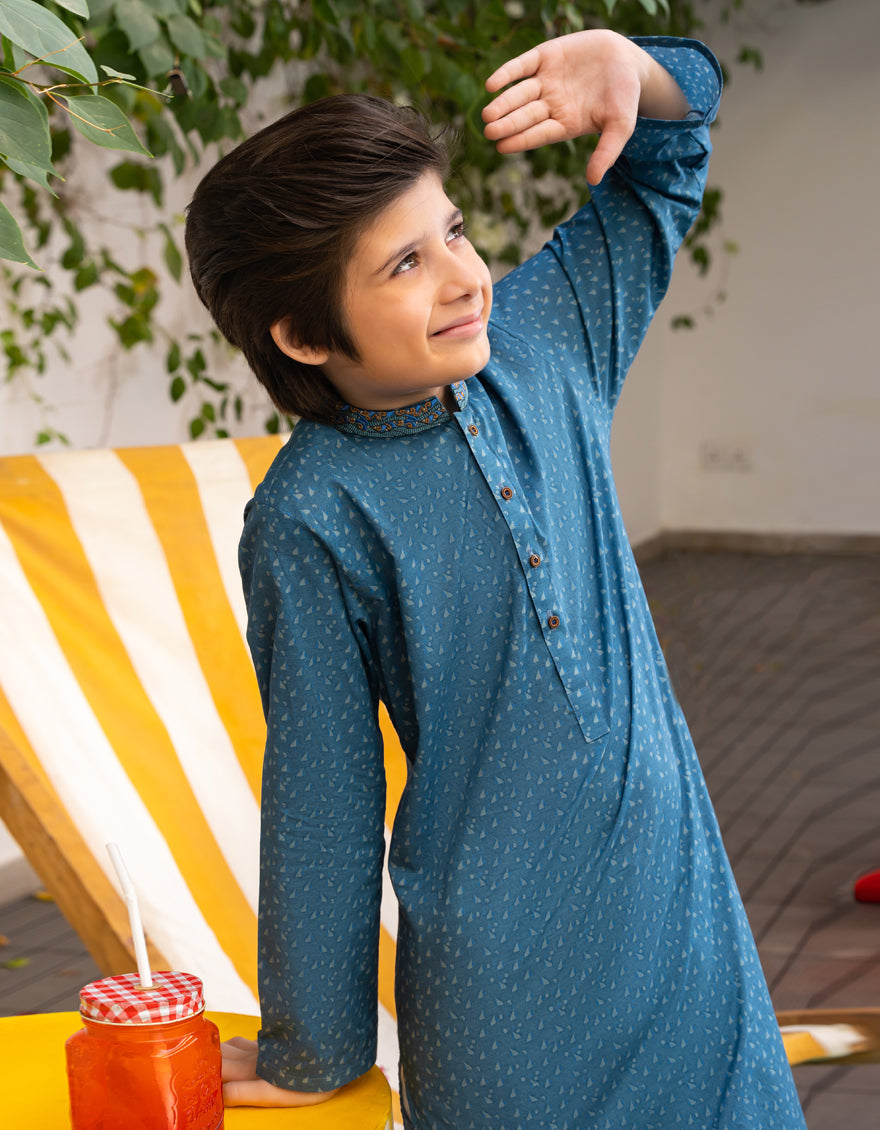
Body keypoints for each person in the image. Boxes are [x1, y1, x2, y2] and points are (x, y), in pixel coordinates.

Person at [185, 29, 807, 1129]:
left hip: (682, 927)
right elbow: (324, 799)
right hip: (501, 1003)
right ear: (302, 334)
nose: (464, 277)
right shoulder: (307, 517)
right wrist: (313, 1047)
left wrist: (635, 72)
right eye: (404, 265)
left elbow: (666, 160)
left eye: (454, 231)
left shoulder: (544, 340)